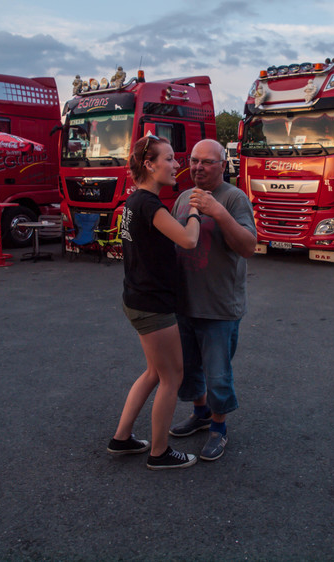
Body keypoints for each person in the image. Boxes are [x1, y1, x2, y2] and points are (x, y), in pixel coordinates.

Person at [108, 135, 202, 470]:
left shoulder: (133, 203)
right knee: (172, 377)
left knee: (153, 372)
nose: (178, 165)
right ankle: (159, 452)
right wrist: (194, 208)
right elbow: (189, 240)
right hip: (152, 305)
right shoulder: (150, 205)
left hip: (136, 298)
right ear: (149, 164)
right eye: (170, 159)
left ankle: (122, 438)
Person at [169, 139, 257, 461]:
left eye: (207, 162)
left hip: (219, 308)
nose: (198, 167)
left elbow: (248, 247)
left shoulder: (234, 199)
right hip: (185, 304)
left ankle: (219, 428)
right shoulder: (181, 198)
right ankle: (201, 413)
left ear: (223, 165)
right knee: (189, 369)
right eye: (194, 160)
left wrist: (217, 212)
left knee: (218, 373)